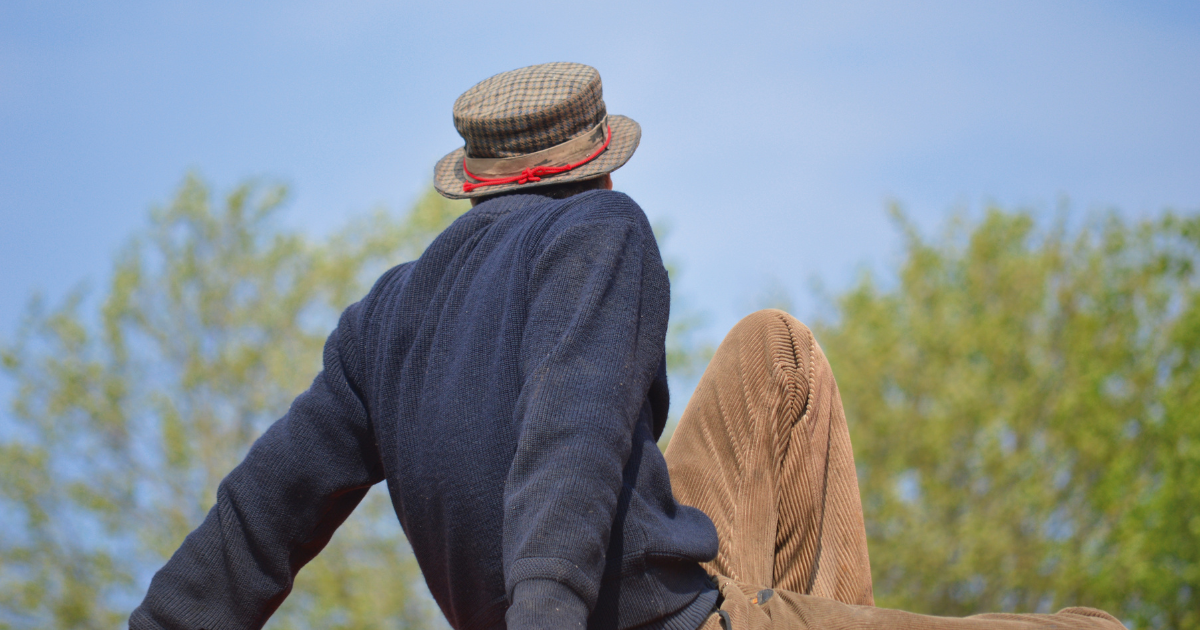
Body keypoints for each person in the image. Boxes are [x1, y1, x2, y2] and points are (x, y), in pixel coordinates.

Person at [130, 63, 1125, 630]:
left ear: (472, 184)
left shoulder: (384, 318)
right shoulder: (601, 234)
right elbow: (567, 444)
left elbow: (256, 524)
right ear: (600, 168)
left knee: (775, 349)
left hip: (647, 589)